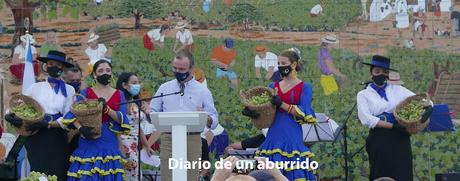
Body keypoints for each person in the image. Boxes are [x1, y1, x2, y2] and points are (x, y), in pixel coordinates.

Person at [243, 50, 317, 180]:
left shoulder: (305, 87)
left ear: (293, 65)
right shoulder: (273, 86)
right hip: (274, 134)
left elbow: (305, 113)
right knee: (268, 174)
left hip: (292, 134)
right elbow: (267, 112)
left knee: (293, 171)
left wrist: (282, 104)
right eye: (278, 63)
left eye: (284, 63)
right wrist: (253, 113)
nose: (280, 66)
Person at [357, 55, 432, 181]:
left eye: (384, 72)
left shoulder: (398, 89)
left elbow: (423, 100)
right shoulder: (363, 94)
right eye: (377, 71)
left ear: (388, 74)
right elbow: (366, 119)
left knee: (402, 172)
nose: (381, 74)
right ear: (371, 73)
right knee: (381, 173)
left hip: (400, 137)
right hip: (379, 139)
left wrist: (426, 110)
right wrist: (393, 126)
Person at [5, 50, 76, 180]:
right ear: (46, 66)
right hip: (36, 133)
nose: (54, 66)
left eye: (58, 64)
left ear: (63, 67)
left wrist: (52, 124)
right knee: (38, 170)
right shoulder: (35, 87)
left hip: (57, 135)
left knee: (58, 170)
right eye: (51, 63)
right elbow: (22, 104)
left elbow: (70, 114)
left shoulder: (70, 89)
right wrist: (10, 114)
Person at [149, 50, 219, 181]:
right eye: (175, 68)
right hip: (169, 139)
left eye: (182, 69)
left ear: (192, 69)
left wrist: (206, 117)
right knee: (167, 177)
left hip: (192, 139)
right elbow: (153, 111)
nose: (177, 72)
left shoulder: (202, 91)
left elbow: (214, 120)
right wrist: (148, 111)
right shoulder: (165, 88)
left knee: (190, 178)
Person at [65, 60, 131, 180]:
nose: (105, 73)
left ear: (111, 73)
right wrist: (81, 128)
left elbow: (123, 118)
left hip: (109, 139)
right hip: (88, 137)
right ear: (95, 75)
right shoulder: (86, 92)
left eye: (108, 70)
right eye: (100, 70)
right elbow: (72, 114)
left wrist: (107, 109)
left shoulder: (119, 94)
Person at [116, 72, 158, 180]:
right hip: (123, 142)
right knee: (128, 173)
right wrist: (120, 145)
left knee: (135, 174)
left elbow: (138, 127)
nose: (137, 85)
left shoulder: (136, 102)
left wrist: (147, 146)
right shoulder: (120, 103)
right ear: (124, 85)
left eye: (138, 82)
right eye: (134, 83)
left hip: (134, 144)